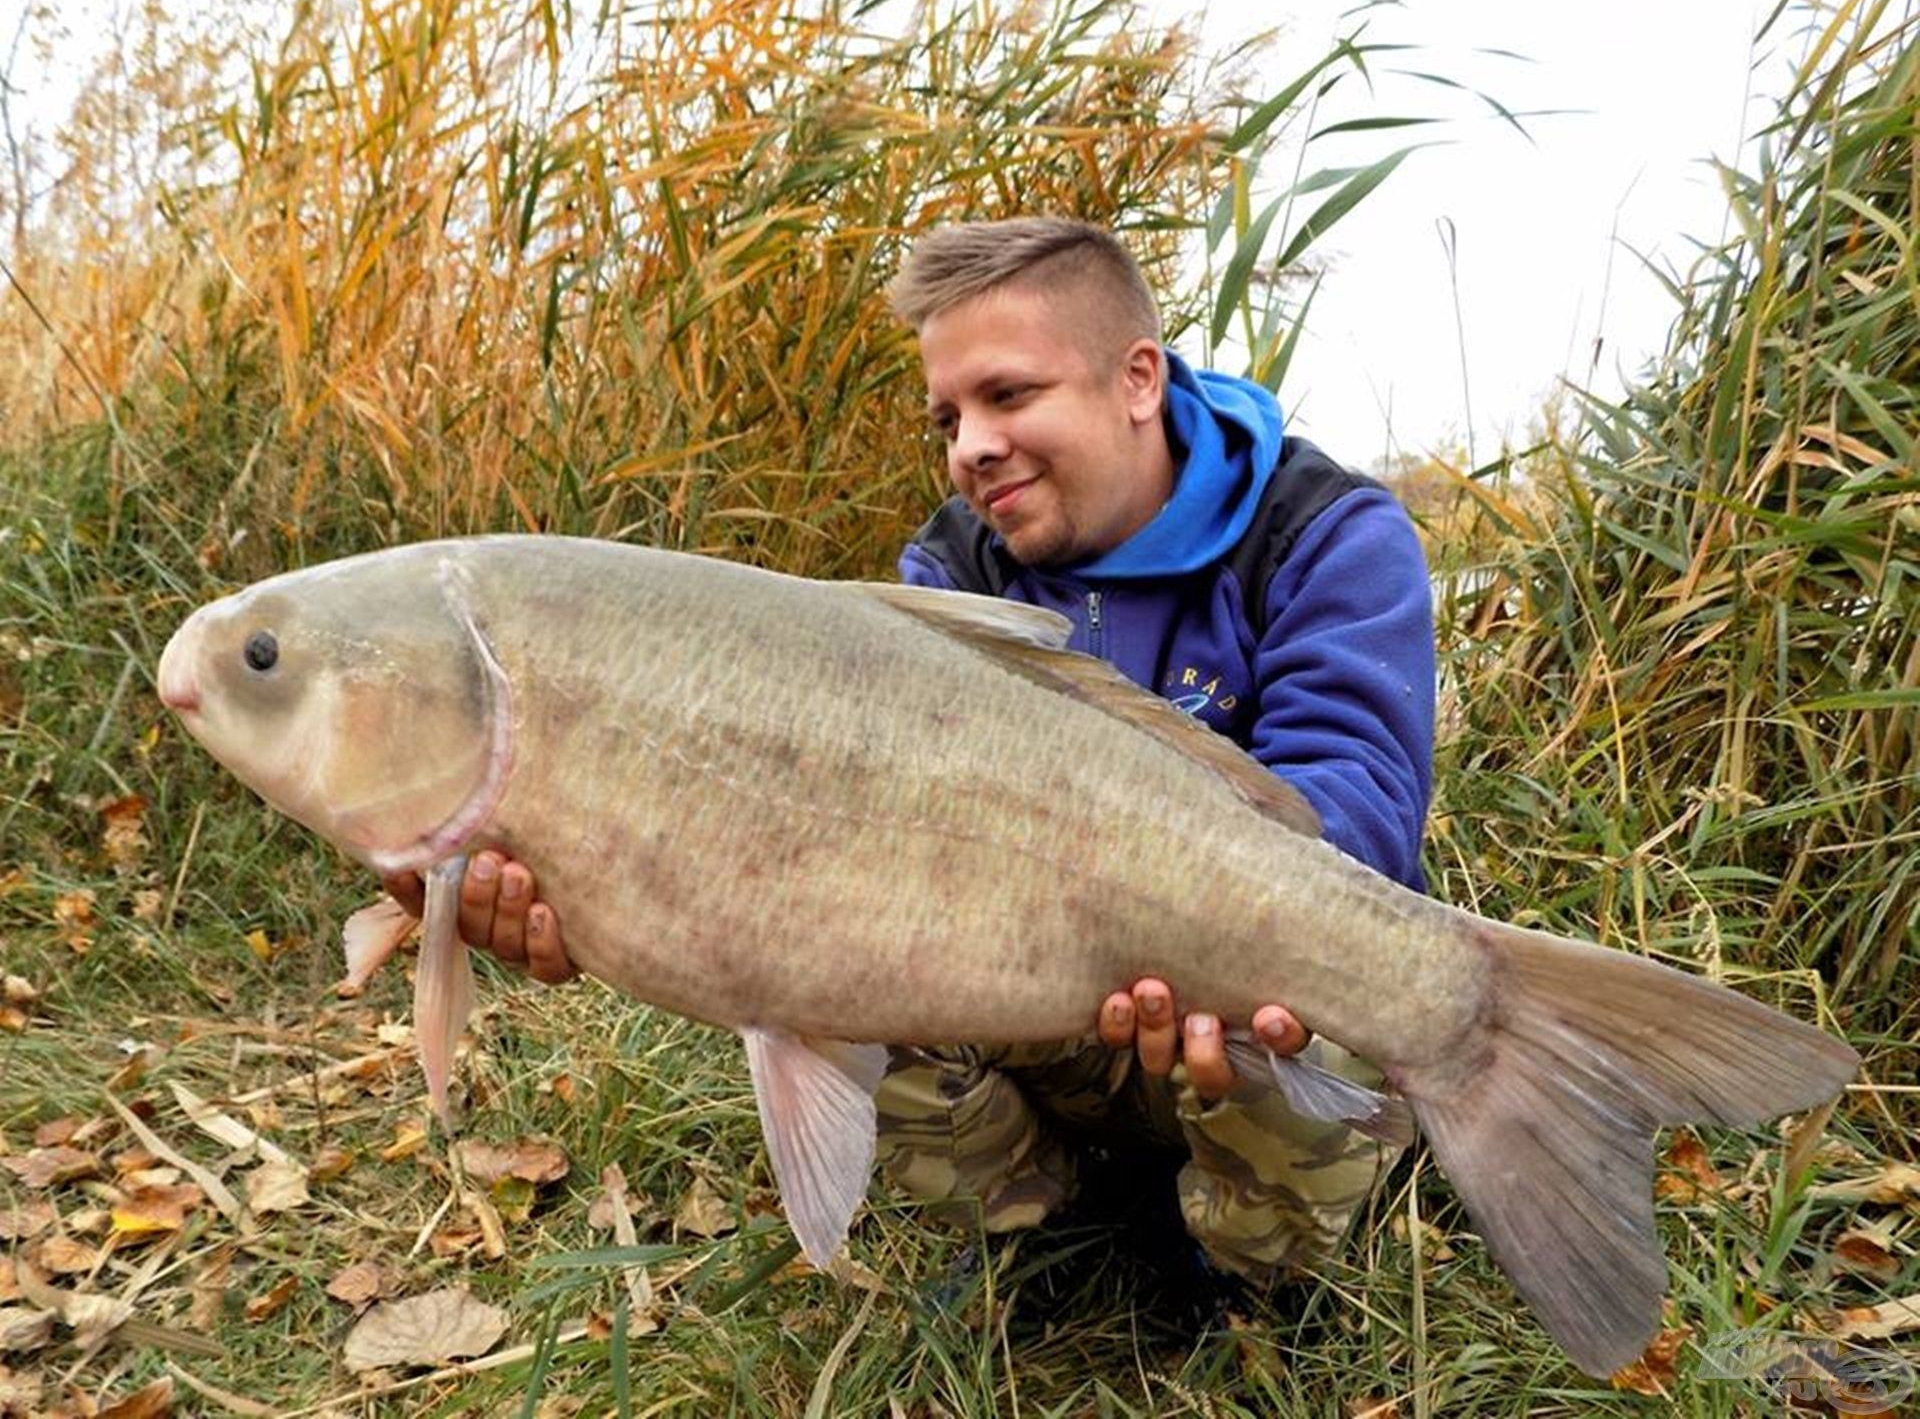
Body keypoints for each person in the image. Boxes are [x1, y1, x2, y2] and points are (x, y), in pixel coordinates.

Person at [386, 216, 1435, 1298]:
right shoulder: (952, 568)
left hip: (1246, 997)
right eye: (949, 415)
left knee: (1331, 998)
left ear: (1136, 379)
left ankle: (1250, 1280)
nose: (970, 444)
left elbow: (1354, 813)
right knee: (853, 980)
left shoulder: (1323, 529)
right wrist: (600, 894)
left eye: (1010, 396)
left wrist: (1187, 924)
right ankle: (1049, 1228)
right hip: (1050, 993)